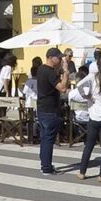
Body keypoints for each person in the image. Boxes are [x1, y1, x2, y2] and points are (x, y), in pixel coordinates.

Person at [37, 47, 70, 175]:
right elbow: (62, 88)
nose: (61, 60)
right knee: (49, 139)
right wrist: (66, 72)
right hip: (50, 109)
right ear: (51, 58)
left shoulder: (41, 69)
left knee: (44, 138)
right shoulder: (50, 72)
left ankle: (44, 164)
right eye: (59, 58)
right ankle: (46, 167)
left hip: (42, 108)